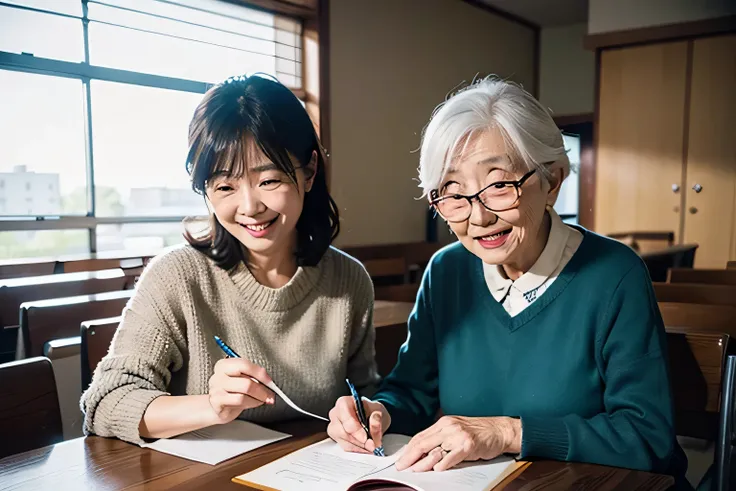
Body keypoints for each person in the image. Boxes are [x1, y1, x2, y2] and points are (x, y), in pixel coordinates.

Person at [326, 77, 690, 487]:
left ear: (552, 180)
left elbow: (648, 437)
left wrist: (507, 432)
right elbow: (412, 392)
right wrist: (377, 411)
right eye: (452, 192)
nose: (478, 217)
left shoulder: (614, 274)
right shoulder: (446, 271)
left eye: (499, 185)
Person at [81, 74, 378, 445]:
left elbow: (363, 390)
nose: (250, 207)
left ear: (309, 172)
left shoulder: (349, 281)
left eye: (269, 180)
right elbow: (106, 402)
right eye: (224, 187)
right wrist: (211, 406)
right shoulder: (177, 277)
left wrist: (364, 413)